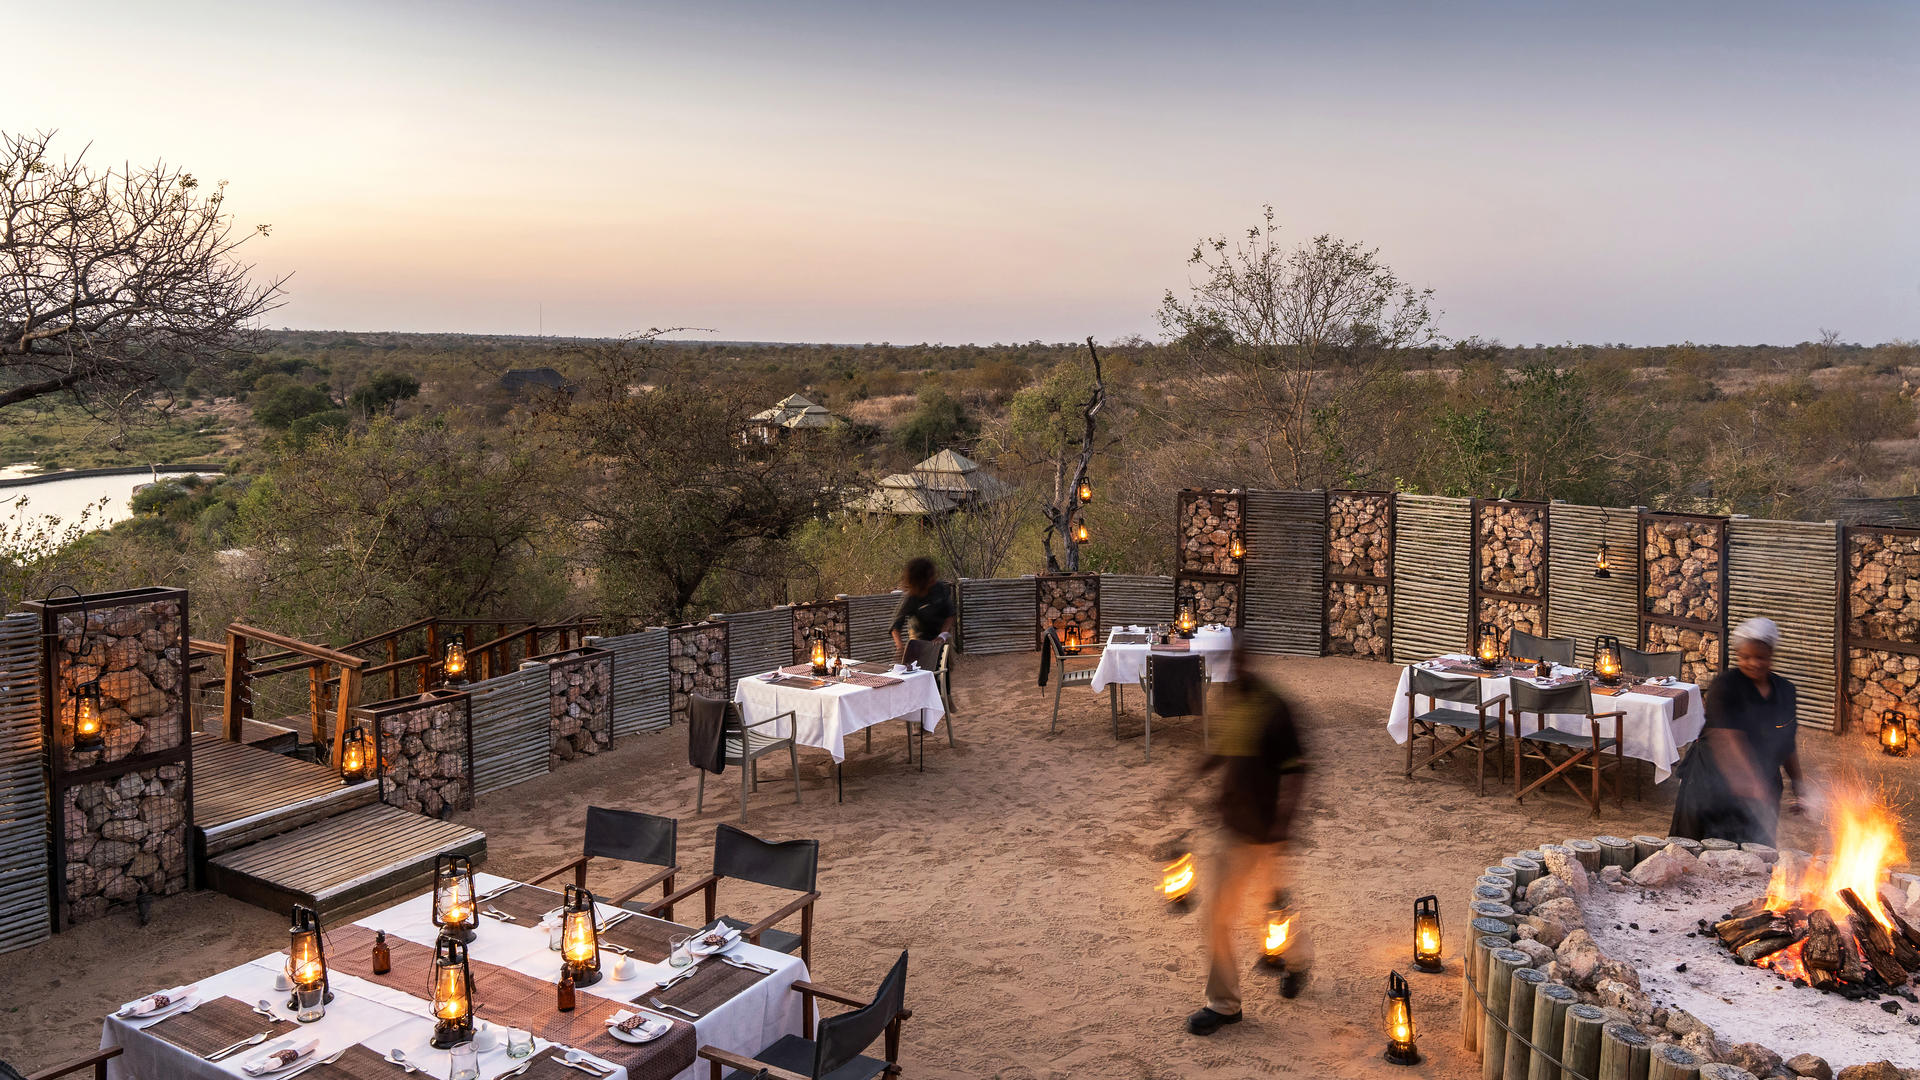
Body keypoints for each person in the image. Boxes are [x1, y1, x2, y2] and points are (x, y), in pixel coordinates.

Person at [1186, 643, 1312, 1036]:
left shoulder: (1276, 708)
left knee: (1270, 908)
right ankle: (1226, 1003)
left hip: (1264, 830)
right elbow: (1224, 749)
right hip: (1233, 826)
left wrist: (1282, 825)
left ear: (1249, 660)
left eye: (1238, 658)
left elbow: (1297, 770)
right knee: (1224, 914)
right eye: (1229, 659)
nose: (1233, 665)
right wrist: (1186, 780)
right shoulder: (1232, 697)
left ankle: (1292, 963)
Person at [1669, 617, 1806, 845]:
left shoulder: (1785, 691)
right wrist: (1752, 785)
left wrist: (1799, 785)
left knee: (1756, 852)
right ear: (1737, 655)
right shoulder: (1726, 686)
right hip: (1710, 781)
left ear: (1771, 654)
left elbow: (1787, 742)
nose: (1754, 663)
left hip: (1762, 779)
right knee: (1698, 849)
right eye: (1745, 657)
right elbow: (1727, 740)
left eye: (1761, 657)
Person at [890, 556, 955, 661]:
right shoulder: (911, 597)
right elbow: (896, 626)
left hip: (941, 635)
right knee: (921, 668)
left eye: (933, 575)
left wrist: (942, 635)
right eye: (929, 577)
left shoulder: (940, 588)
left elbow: (950, 614)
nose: (933, 578)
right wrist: (900, 647)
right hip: (919, 641)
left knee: (943, 666)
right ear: (920, 580)